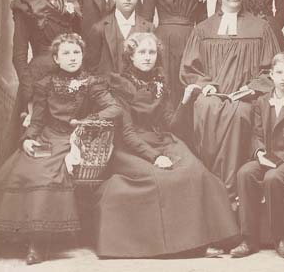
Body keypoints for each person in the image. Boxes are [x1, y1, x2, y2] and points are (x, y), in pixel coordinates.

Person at [94, 32, 239, 258]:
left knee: (197, 172)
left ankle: (214, 238)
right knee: (164, 178)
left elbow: (171, 123)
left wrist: (186, 99)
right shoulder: (119, 85)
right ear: (130, 56)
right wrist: (154, 157)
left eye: (152, 52)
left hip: (163, 139)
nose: (147, 57)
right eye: (141, 52)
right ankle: (187, 246)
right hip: (132, 148)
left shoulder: (160, 81)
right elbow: (128, 133)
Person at [0, 33, 121, 265]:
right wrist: (28, 139)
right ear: (56, 59)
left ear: (83, 55)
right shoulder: (45, 84)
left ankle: (39, 244)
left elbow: (114, 108)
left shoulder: (91, 83)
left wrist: (87, 121)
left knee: (47, 174)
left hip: (74, 139)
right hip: (48, 136)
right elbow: (38, 119)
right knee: (18, 169)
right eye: (66, 53)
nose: (72, 58)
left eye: (76, 52)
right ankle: (11, 238)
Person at [180, 0, 281, 201]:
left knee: (239, 114)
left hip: (247, 98)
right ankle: (212, 190)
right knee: (206, 108)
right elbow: (189, 68)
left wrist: (251, 88)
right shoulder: (203, 29)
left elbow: (271, 70)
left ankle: (229, 193)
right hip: (212, 96)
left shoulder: (261, 28)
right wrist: (206, 85)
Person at [230, 52, 284, 259]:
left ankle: (279, 238)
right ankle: (249, 239)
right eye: (279, 73)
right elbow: (256, 134)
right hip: (266, 156)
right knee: (245, 173)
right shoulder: (261, 101)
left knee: (273, 178)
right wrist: (259, 151)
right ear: (271, 75)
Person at [0, 0, 82, 167]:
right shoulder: (26, 4)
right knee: (34, 141)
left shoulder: (70, 0)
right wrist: (28, 91)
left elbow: (79, 42)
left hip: (69, 74)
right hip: (38, 76)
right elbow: (18, 54)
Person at [84, 0, 153, 76]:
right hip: (107, 89)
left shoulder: (148, 28)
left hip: (139, 89)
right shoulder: (99, 28)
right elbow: (91, 68)